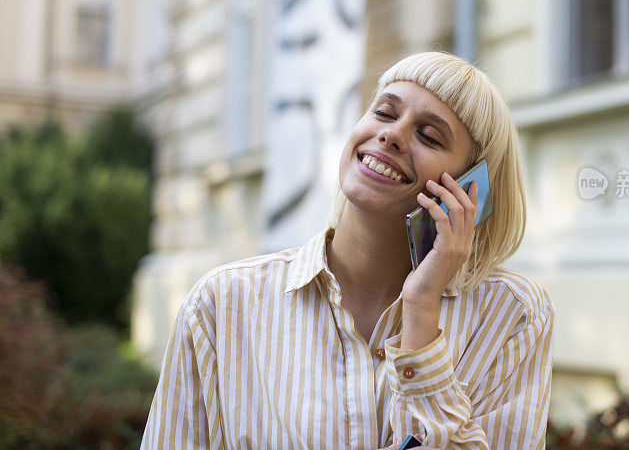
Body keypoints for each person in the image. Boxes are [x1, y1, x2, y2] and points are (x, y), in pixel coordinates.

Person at [141, 52, 554, 449]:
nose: (391, 135)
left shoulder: (513, 315)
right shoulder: (221, 304)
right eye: (384, 113)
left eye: (429, 135)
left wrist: (421, 307)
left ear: (468, 189)